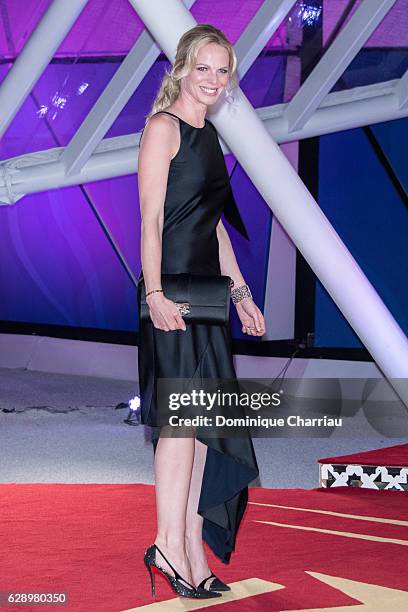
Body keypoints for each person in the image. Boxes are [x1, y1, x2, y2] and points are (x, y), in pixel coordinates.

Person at [137, 24, 266, 600]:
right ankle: (167, 543)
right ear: (182, 68)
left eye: (223, 70)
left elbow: (214, 225)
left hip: (210, 293)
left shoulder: (209, 136)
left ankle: (190, 547)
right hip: (172, 290)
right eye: (204, 68)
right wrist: (155, 294)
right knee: (181, 422)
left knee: (205, 427)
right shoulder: (161, 129)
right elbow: (150, 220)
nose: (213, 79)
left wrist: (241, 295)